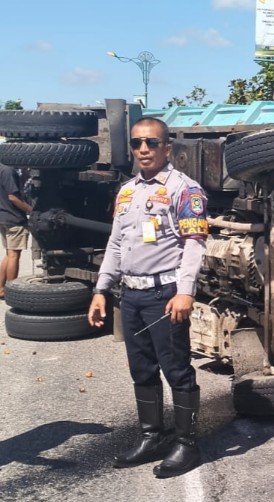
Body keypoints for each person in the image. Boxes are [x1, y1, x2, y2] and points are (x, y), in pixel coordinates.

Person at [88, 117, 209, 478]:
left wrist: (185, 291)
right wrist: (101, 289)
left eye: (152, 143)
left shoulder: (185, 190)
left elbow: (194, 244)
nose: (143, 149)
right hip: (132, 295)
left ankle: (187, 444)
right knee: (142, 369)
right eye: (138, 143)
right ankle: (151, 436)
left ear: (167, 148)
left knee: (176, 370)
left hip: (165, 295)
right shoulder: (126, 191)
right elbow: (115, 243)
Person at [0, 162, 33, 300]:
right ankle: (12, 291)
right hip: (14, 217)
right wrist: (31, 210)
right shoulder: (8, 171)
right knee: (14, 255)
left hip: (3, 216)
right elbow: (13, 197)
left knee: (9, 253)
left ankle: (1, 288)